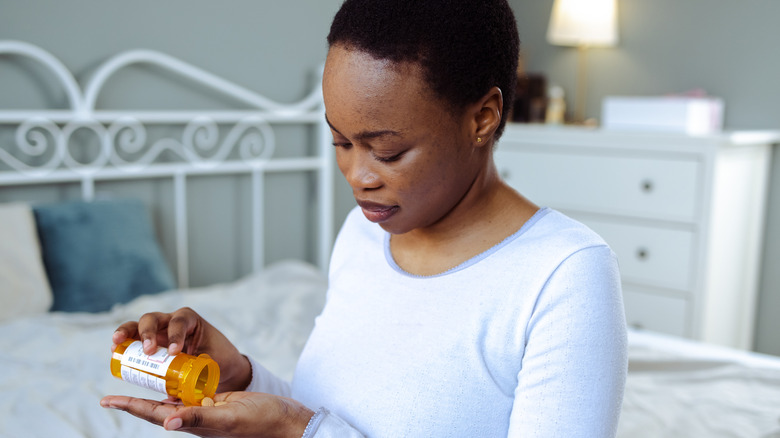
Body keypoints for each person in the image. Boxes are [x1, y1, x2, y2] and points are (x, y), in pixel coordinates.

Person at [100, 0, 628, 436]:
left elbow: (314, 429)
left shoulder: (564, 275)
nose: (357, 176)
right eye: (340, 141)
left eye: (388, 151)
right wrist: (240, 378)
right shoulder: (364, 232)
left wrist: (296, 430)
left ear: (483, 119)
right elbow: (335, 413)